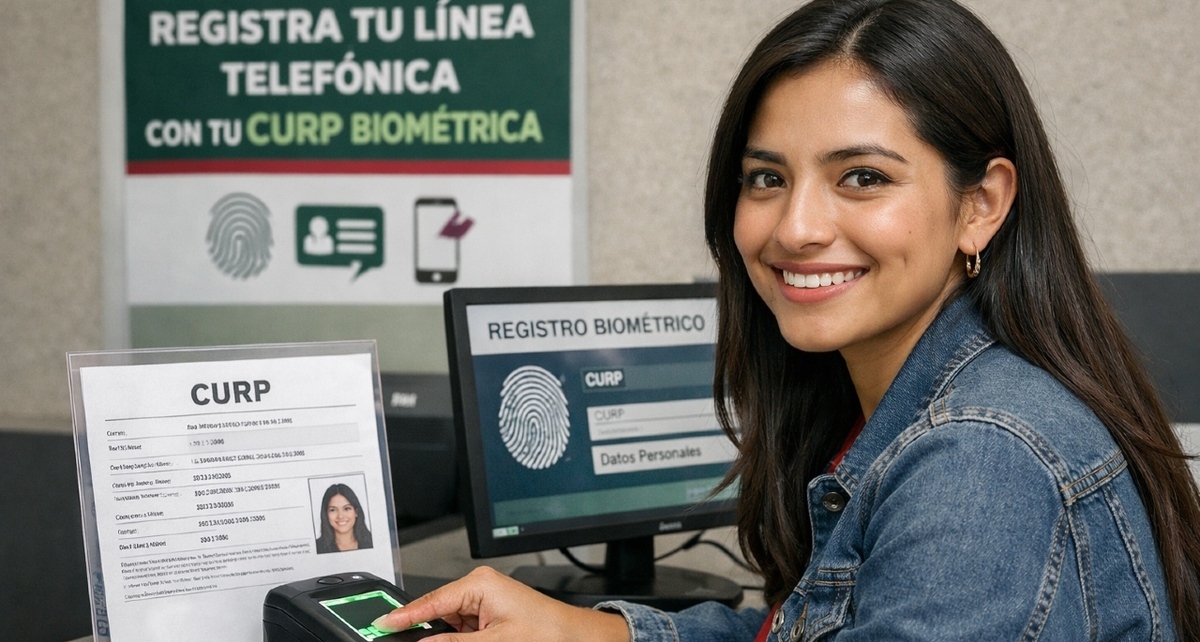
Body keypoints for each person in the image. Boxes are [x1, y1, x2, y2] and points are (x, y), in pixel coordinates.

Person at [375, 0, 1200, 639]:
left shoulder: (980, 459)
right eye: (767, 178)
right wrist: (584, 630)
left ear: (981, 204)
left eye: (863, 178)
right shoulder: (902, 406)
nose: (796, 228)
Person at [315, 483, 374, 554]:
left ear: (356, 512)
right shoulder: (316, 548)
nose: (340, 516)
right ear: (326, 514)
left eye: (346, 509)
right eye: (333, 510)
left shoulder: (373, 542)